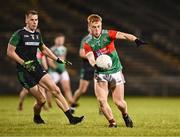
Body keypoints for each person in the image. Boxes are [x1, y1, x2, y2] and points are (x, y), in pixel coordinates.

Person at [7, 10, 84, 124]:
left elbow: (44, 49)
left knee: (56, 90)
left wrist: (57, 59)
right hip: (24, 71)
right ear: (26, 20)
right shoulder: (19, 34)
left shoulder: (37, 34)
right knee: (42, 101)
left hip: (36, 66)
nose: (34, 22)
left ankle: (71, 118)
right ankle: (37, 117)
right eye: (32, 19)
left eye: (36, 20)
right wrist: (23, 63)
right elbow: (10, 52)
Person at [83, 14, 147, 128]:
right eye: (94, 27)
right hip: (100, 73)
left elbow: (123, 35)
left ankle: (125, 115)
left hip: (116, 71)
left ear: (101, 25)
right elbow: (90, 57)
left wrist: (135, 39)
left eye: (98, 26)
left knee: (119, 103)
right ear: (89, 27)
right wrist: (95, 65)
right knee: (102, 101)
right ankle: (112, 122)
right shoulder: (87, 42)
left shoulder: (108, 34)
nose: (97, 29)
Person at [71, 33, 95, 111]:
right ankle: (72, 105)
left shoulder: (101, 38)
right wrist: (93, 57)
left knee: (102, 87)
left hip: (98, 66)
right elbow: (81, 53)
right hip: (87, 66)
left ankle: (103, 107)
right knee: (82, 90)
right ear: (89, 28)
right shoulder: (86, 39)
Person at [47, 34, 74, 105]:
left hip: (62, 71)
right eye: (59, 39)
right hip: (54, 71)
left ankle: (71, 102)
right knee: (51, 88)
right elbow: (50, 61)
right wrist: (56, 68)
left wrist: (63, 68)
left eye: (62, 40)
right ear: (55, 40)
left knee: (67, 87)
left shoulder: (64, 49)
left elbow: (63, 59)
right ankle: (49, 103)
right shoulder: (51, 49)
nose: (61, 41)